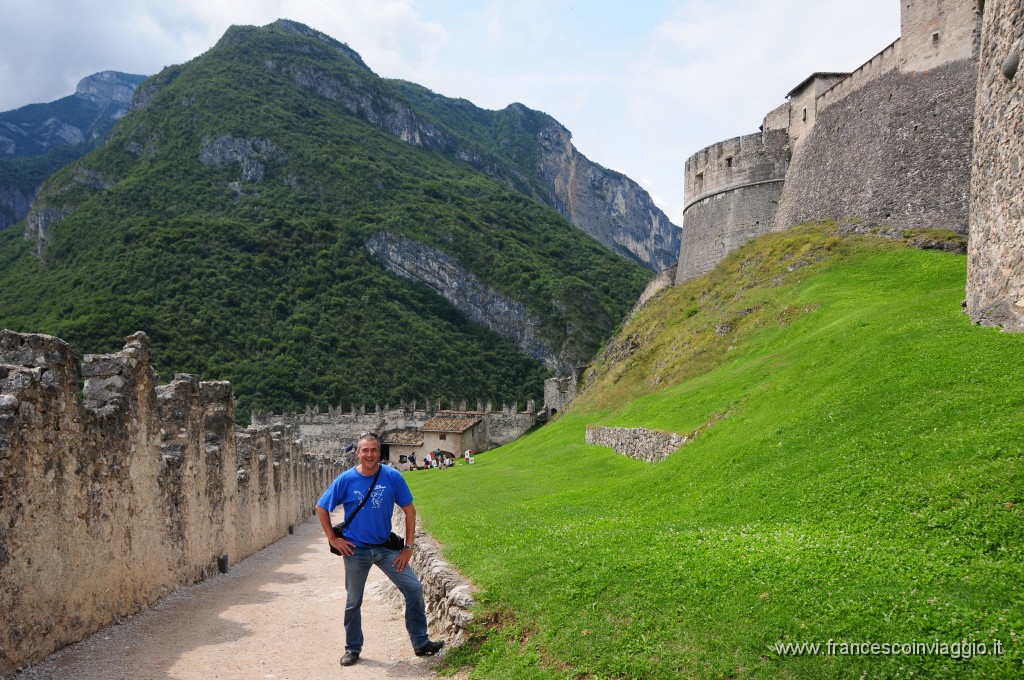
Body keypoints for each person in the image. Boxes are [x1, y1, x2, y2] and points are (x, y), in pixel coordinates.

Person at [316, 432, 445, 667]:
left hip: (385, 548)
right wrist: (334, 539)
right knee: (353, 601)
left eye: (373, 450)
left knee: (414, 589)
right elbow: (322, 507)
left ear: (379, 452)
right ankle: (352, 648)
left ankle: (420, 642)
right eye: (365, 450)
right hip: (355, 551)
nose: (369, 455)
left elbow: (410, 511)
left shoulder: (392, 477)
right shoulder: (346, 480)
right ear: (358, 452)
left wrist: (408, 548)